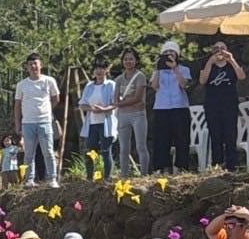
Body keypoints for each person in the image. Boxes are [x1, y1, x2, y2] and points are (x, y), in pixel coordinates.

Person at [13, 53, 61, 188]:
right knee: (29, 153)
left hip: (45, 121)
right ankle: (29, 179)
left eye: (36, 63)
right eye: (30, 64)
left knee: (49, 152)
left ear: (41, 65)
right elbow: (17, 105)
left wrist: (47, 110)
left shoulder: (49, 81)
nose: (33, 66)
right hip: (28, 123)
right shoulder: (21, 85)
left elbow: (56, 98)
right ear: (26, 67)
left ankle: (52, 178)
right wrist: (17, 125)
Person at [147, 44, 193, 173]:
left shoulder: (184, 69)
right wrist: (157, 69)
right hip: (161, 107)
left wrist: (175, 69)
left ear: (177, 54)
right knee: (161, 139)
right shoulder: (158, 72)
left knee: (182, 138)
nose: (169, 54)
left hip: (180, 107)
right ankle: (162, 167)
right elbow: (154, 86)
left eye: (171, 52)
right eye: (166, 52)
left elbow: (184, 85)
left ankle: (182, 166)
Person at [200, 42, 244, 169]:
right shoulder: (208, 64)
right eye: (216, 49)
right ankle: (217, 164)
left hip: (229, 103)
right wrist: (210, 62)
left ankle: (232, 165)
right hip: (212, 104)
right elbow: (202, 80)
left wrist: (231, 60)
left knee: (230, 134)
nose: (219, 51)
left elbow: (241, 76)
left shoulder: (231, 65)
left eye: (222, 48)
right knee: (215, 135)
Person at [113, 48, 150, 177]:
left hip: (138, 115)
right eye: (126, 59)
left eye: (131, 59)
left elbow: (139, 97)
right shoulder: (119, 79)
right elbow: (115, 98)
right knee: (123, 148)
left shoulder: (140, 76)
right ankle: (124, 174)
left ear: (136, 61)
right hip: (123, 116)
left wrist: (122, 103)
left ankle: (144, 174)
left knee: (141, 146)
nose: (128, 61)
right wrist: (126, 102)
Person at [80, 60, 118, 181]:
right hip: (92, 122)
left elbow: (116, 103)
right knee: (90, 151)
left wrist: (104, 109)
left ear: (107, 70)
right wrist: (91, 108)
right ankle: (90, 177)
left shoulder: (111, 84)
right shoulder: (89, 86)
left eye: (102, 68)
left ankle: (108, 178)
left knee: (106, 151)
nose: (99, 71)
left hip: (106, 122)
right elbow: (82, 104)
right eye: (97, 68)